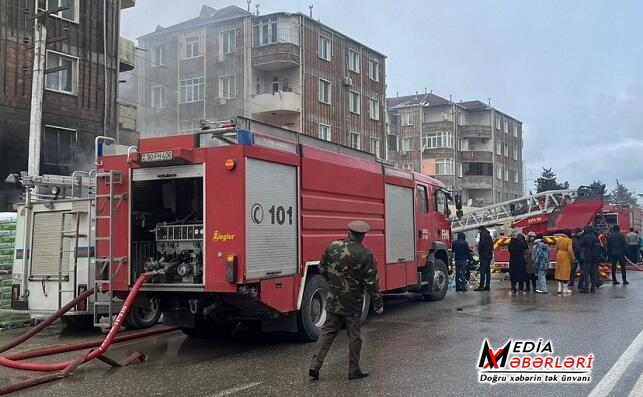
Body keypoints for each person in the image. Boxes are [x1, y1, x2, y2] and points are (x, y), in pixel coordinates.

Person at [309, 221, 384, 381]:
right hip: (353, 302)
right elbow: (371, 282)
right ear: (363, 236)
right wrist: (378, 303)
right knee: (354, 335)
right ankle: (353, 369)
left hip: (334, 298)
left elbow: (322, 268)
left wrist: (334, 284)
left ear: (348, 232)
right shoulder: (365, 254)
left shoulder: (333, 246)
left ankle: (315, 365)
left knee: (328, 331)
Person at [580, 226, 600, 293]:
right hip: (594, 258)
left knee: (586, 273)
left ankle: (586, 288)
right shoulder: (595, 237)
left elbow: (581, 244)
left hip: (587, 257)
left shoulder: (586, 237)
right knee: (593, 273)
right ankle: (593, 288)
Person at [554, 230, 575, 294]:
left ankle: (559, 288)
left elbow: (556, 248)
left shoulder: (559, 239)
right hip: (566, 256)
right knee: (566, 272)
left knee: (559, 272)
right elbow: (570, 250)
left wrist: (556, 255)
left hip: (559, 255)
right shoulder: (569, 240)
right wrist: (573, 257)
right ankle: (565, 289)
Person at [474, 226, 493, 291]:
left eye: (478, 230)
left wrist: (479, 252)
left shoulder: (482, 235)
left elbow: (482, 244)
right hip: (489, 255)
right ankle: (487, 286)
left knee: (482, 271)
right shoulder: (489, 235)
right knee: (488, 272)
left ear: (480, 230)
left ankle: (481, 286)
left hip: (484, 255)